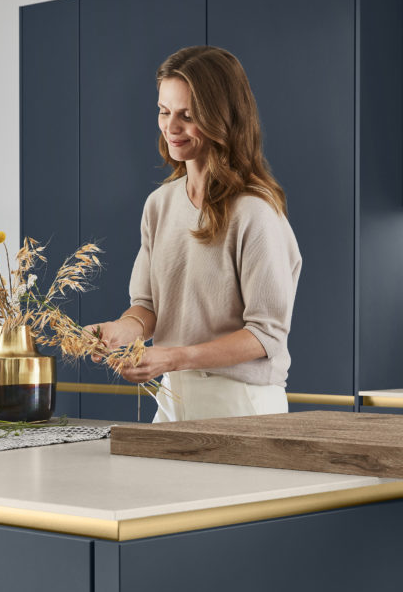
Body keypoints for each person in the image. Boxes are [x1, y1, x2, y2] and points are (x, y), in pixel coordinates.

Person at [87, 45, 302, 421]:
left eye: (187, 115)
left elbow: (265, 335)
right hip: (174, 399)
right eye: (164, 111)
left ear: (223, 118)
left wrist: (171, 356)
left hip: (242, 406)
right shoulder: (160, 204)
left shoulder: (254, 212)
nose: (171, 128)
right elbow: (149, 307)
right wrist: (120, 332)